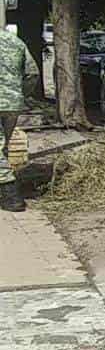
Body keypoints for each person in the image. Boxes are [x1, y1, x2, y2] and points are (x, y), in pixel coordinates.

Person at [0, 27, 39, 212]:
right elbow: (32, 73)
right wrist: (21, 93)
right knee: (2, 147)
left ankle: (11, 195)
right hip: (12, 103)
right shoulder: (16, 42)